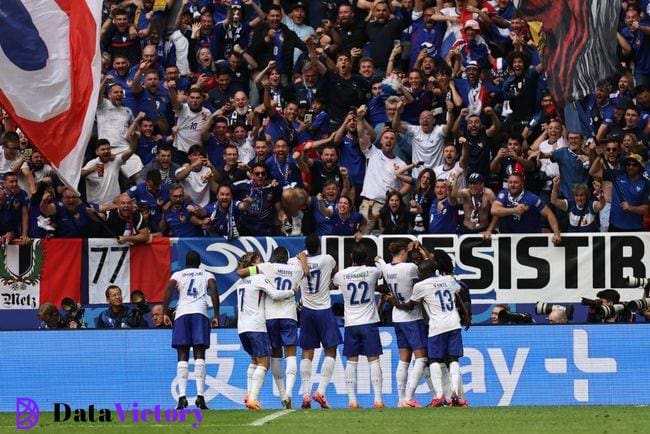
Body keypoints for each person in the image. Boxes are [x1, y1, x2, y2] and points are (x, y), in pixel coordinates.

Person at [393, 251, 471, 407]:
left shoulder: (420, 286)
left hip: (437, 327)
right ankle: (455, 395)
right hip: (454, 323)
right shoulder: (448, 280)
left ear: (423, 273)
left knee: (434, 360)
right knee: (453, 359)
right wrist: (466, 315)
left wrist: (395, 302)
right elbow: (458, 295)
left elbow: (410, 305)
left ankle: (439, 397)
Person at [237, 247, 307, 409]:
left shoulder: (266, 268)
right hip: (287, 315)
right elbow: (305, 272)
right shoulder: (295, 270)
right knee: (289, 356)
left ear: (273, 257)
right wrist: (293, 290)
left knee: (271, 357)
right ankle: (287, 393)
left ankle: (280, 394)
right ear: (287, 257)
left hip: (268, 318)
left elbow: (241, 272)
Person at [288, 234, 342, 409]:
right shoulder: (327, 259)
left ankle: (305, 394)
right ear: (319, 247)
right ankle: (321, 391)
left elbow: (295, 259)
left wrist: (302, 258)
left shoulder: (296, 262)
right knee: (331, 351)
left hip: (307, 311)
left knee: (307, 352)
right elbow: (335, 273)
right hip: (324, 310)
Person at [162, 250, 220, 410]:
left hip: (182, 314)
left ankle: (182, 397)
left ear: (185, 263)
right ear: (199, 263)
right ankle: (200, 396)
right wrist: (216, 314)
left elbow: (168, 291)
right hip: (200, 313)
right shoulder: (206, 274)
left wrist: (165, 312)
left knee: (182, 354)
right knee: (200, 354)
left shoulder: (178, 274)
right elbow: (214, 291)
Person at [376, 242, 429, 408]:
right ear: (403, 252)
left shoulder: (386, 269)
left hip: (397, 317)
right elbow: (427, 273)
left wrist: (378, 259)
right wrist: (423, 252)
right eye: (407, 252)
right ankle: (409, 397)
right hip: (412, 317)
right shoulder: (410, 268)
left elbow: (380, 261)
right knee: (422, 358)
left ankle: (401, 399)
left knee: (404, 359)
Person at [332, 244, 385, 409]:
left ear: (351, 257)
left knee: (351, 362)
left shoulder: (342, 275)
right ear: (366, 258)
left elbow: (334, 283)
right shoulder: (372, 272)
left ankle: (352, 401)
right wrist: (379, 260)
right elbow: (383, 272)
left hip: (351, 324)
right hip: (369, 322)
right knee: (374, 360)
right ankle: (377, 400)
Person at [488, 171, 562, 243]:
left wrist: (556, 233)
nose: (512, 185)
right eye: (510, 182)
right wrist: (515, 210)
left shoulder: (531, 198)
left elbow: (549, 214)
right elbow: (494, 210)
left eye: (515, 182)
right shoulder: (503, 194)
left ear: (522, 184)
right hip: (510, 239)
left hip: (530, 238)